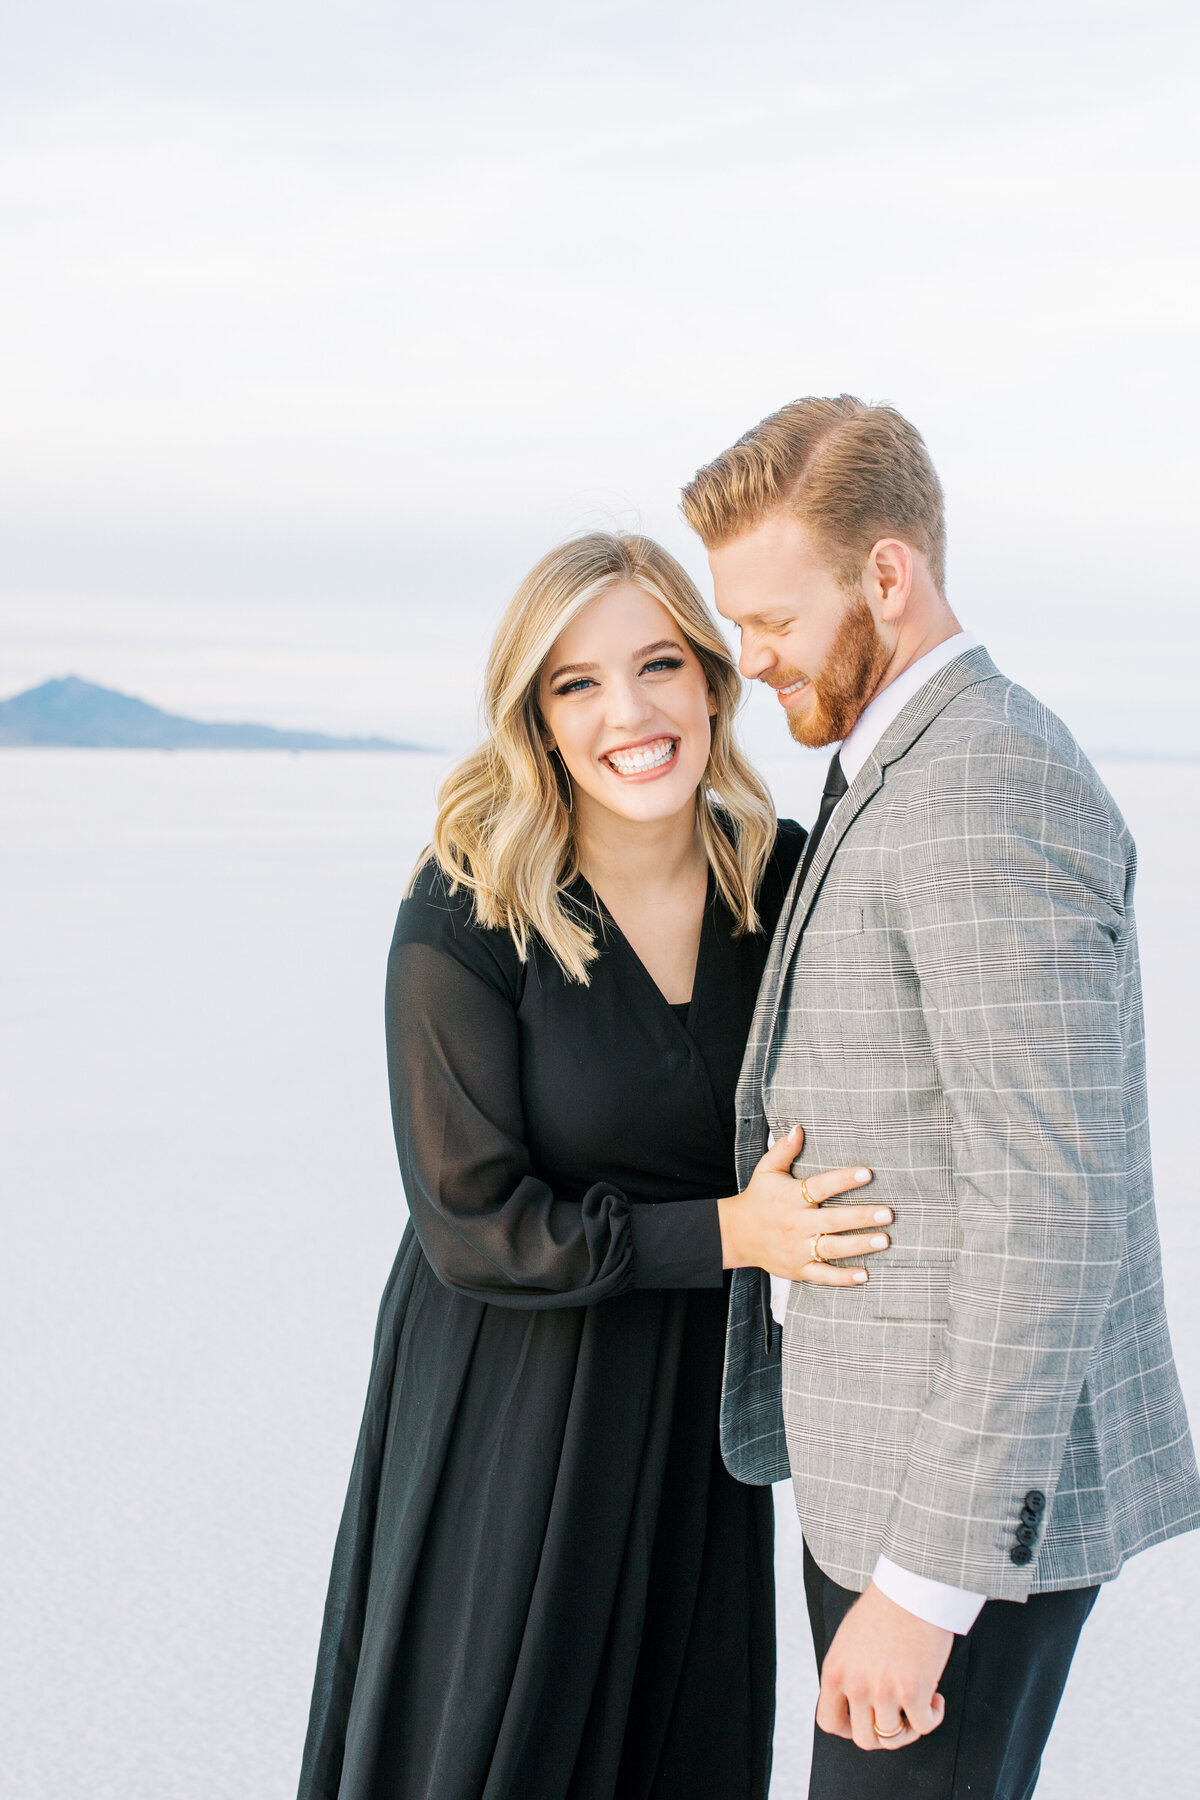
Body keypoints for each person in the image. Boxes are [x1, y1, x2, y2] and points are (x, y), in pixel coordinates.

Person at [297, 532, 893, 1800]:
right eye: (577, 683)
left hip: (697, 1413)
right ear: (538, 716)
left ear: (715, 684)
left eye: (659, 664)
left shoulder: (779, 883)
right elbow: (472, 1221)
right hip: (510, 1400)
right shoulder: (467, 908)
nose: (629, 713)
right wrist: (733, 1236)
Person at [684, 395, 1200, 1800]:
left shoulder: (985, 786)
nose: (755, 659)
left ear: (888, 577)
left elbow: (1052, 1210)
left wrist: (926, 1586)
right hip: (884, 1481)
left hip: (956, 1526)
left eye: (775, 620)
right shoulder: (898, 764)